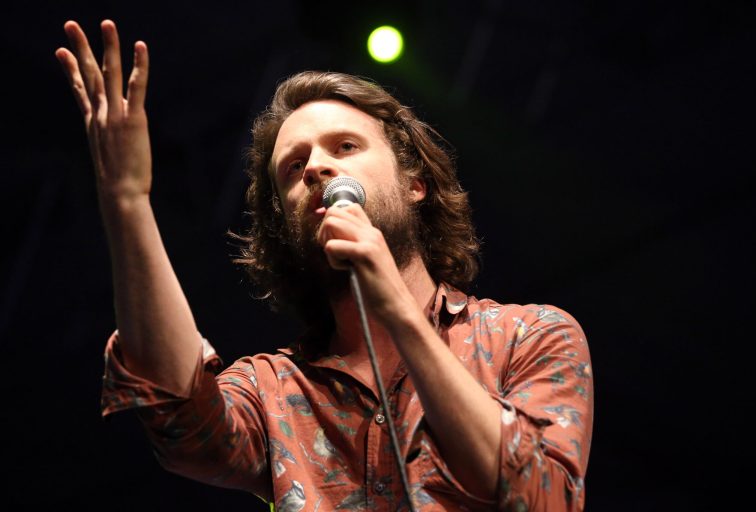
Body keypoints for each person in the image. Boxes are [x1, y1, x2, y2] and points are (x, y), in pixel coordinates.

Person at [56, 19, 593, 512]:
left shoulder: (530, 337)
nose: (316, 166)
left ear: (414, 184)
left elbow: (538, 497)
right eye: (294, 166)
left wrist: (397, 311)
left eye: (345, 146)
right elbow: (177, 417)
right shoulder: (273, 390)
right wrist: (128, 202)